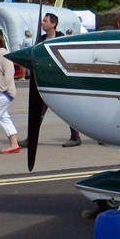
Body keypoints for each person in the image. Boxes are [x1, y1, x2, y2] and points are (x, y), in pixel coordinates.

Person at [40, 12, 82, 147]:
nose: (42, 23)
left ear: (53, 24)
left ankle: (75, 137)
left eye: (45, 21)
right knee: (38, 111)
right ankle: (31, 138)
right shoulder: (40, 39)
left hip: (58, 82)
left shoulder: (61, 39)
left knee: (66, 110)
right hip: (44, 80)